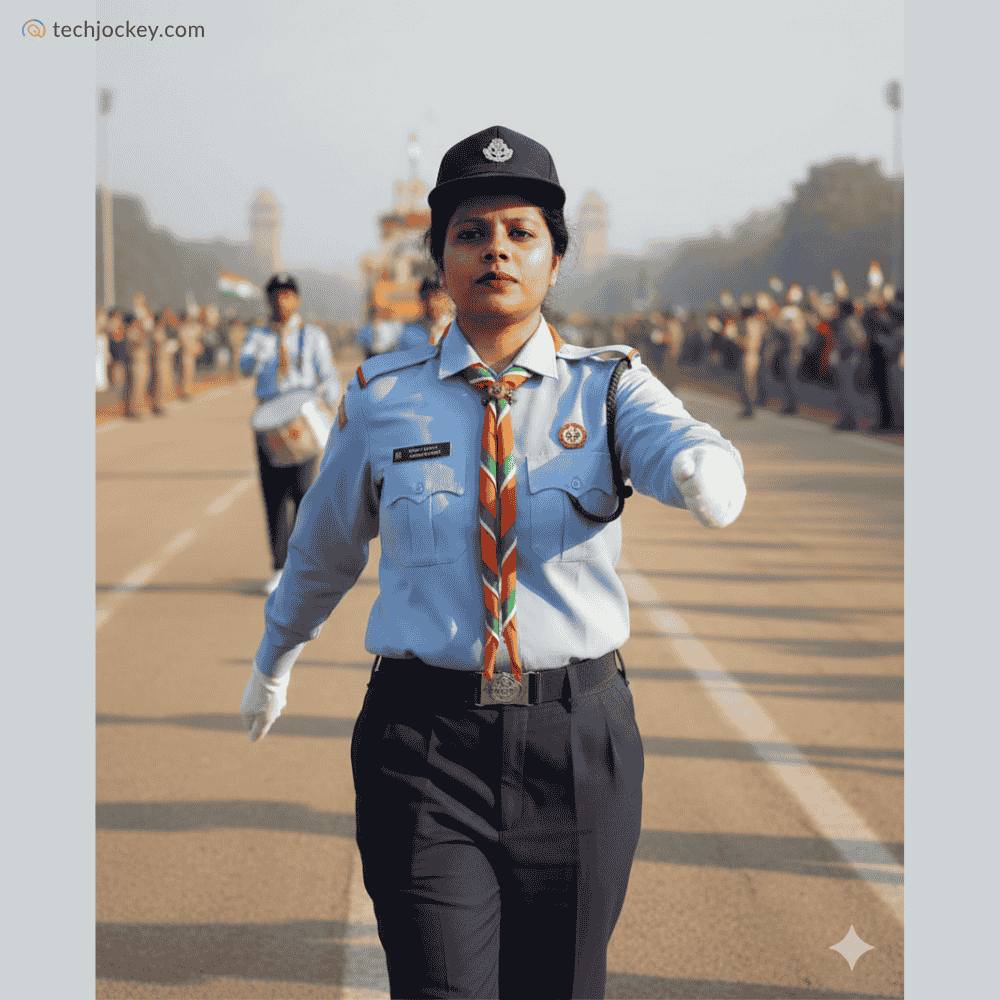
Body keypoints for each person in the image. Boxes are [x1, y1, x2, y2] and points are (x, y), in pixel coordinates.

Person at [240, 125, 747, 999]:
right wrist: (274, 654)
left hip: (577, 742)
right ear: (438, 257)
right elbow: (324, 547)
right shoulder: (380, 399)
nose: (496, 252)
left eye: (521, 232)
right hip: (423, 744)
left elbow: (677, 439)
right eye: (471, 234)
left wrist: (709, 467)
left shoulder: (612, 384)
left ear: (556, 258)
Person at [239, 273, 343, 595]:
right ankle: (279, 566)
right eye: (275, 296)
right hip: (270, 419)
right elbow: (244, 368)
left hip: (302, 418)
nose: (281, 302)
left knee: (304, 494)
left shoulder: (313, 335)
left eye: (287, 296)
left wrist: (329, 407)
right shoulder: (258, 334)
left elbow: (329, 375)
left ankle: (304, 565)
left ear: (296, 299)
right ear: (268, 300)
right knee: (273, 495)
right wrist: (259, 352)